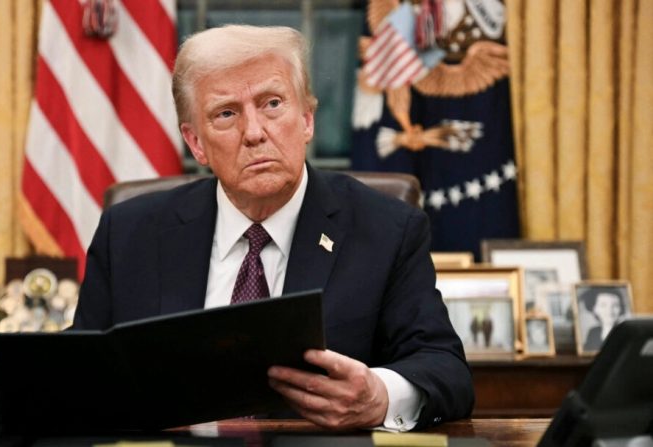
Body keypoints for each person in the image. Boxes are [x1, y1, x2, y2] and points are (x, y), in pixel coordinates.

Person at [73, 24, 473, 431]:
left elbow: (445, 371)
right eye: (226, 113)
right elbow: (77, 377)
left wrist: (379, 396)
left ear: (306, 120)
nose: (254, 132)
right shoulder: (130, 234)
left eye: (272, 104)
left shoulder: (387, 229)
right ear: (196, 143)